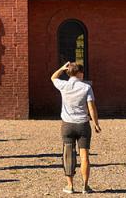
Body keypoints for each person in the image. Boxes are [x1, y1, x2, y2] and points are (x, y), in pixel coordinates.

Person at [52, 62, 100, 194]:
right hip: (83, 124)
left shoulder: (63, 85)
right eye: (82, 72)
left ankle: (70, 185)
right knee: (84, 156)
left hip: (67, 124)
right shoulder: (86, 87)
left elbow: (53, 77)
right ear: (79, 73)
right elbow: (91, 107)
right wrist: (96, 123)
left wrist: (62, 68)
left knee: (68, 154)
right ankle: (85, 186)